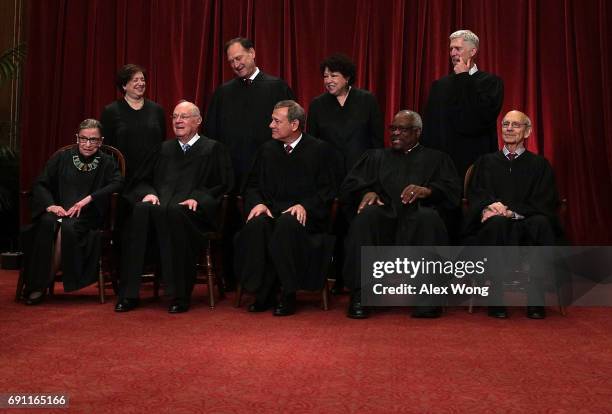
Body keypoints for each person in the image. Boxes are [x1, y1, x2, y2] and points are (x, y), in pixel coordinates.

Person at [115, 101, 233, 314]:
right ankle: (129, 294)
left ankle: (179, 295)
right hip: (160, 209)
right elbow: (140, 180)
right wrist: (148, 193)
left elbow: (222, 185)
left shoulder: (213, 149)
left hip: (191, 213)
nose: (178, 121)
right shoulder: (163, 149)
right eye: (175, 116)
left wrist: (198, 197)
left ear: (197, 121)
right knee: (141, 211)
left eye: (184, 116)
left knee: (177, 214)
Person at [341, 110, 461, 319]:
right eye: (392, 128)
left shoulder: (437, 158)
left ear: (417, 132)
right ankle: (361, 294)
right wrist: (366, 192)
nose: (395, 133)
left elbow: (452, 193)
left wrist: (429, 191)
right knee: (366, 217)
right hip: (384, 212)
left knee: (429, 219)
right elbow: (349, 186)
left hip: (418, 214)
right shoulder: (375, 157)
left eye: (402, 129)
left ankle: (428, 297)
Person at [204, 37, 295, 291]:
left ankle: (271, 283)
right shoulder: (223, 93)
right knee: (233, 228)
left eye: (239, 57)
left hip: (269, 175)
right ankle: (236, 281)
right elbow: (212, 136)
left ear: (252, 53)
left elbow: (291, 130)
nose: (236, 64)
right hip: (233, 173)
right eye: (231, 61)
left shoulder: (277, 87)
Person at [234, 100, 337, 316]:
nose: (270, 125)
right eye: (272, 120)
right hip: (272, 212)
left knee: (287, 224)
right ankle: (263, 292)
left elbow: (328, 191)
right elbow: (251, 185)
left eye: (276, 121)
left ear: (294, 124)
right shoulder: (266, 150)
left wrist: (305, 205)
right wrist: (258, 203)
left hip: (305, 220)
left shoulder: (319, 150)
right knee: (257, 226)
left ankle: (288, 294)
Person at [464, 110, 562, 320]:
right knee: (496, 223)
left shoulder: (539, 165)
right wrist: (489, 206)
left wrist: (512, 211)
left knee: (542, 223)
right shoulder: (486, 162)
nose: (508, 128)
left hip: (526, 220)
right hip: (495, 223)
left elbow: (544, 199)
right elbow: (475, 193)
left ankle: (536, 297)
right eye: (505, 124)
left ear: (527, 131)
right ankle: (496, 295)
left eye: (515, 125)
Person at [20, 119, 123, 305]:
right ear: (77, 138)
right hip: (59, 211)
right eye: (84, 139)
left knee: (65, 229)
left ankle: (39, 285)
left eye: (93, 140)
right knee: (46, 223)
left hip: (87, 216)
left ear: (101, 141)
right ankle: (40, 282)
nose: (88, 144)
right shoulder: (62, 157)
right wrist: (50, 205)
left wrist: (89, 198)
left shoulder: (107, 162)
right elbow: (41, 183)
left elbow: (118, 183)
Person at [307, 53, 384, 294]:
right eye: (325, 76)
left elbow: (376, 141)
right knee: (334, 228)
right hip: (329, 177)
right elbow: (312, 143)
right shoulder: (318, 104)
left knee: (357, 227)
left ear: (347, 77)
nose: (328, 80)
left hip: (361, 176)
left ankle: (358, 281)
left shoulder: (366, 100)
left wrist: (374, 177)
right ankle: (334, 279)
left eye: (334, 75)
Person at [422, 29, 504, 181]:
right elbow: (430, 129)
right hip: (443, 167)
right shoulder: (439, 85)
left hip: (474, 163)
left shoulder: (491, 82)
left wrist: (464, 78)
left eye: (458, 48)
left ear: (473, 51)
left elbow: (479, 119)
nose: (453, 53)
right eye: (451, 49)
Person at [100, 64, 166, 184]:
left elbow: (162, 142)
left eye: (143, 79)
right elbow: (105, 148)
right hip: (122, 176)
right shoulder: (110, 111)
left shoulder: (157, 110)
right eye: (135, 80)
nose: (141, 83)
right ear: (124, 85)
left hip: (153, 176)